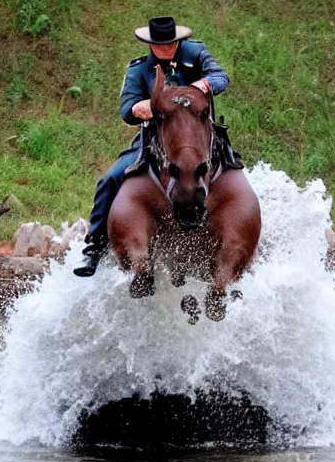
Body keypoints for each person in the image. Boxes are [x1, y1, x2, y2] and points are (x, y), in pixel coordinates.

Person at [74, 16, 231, 277]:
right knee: (110, 179)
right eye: (161, 45)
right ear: (150, 44)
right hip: (156, 140)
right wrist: (142, 107)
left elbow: (220, 77)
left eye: (172, 43)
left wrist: (199, 86)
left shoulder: (196, 53)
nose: (168, 48)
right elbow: (127, 110)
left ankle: (244, 238)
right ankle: (94, 248)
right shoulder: (138, 70)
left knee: (235, 177)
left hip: (201, 139)